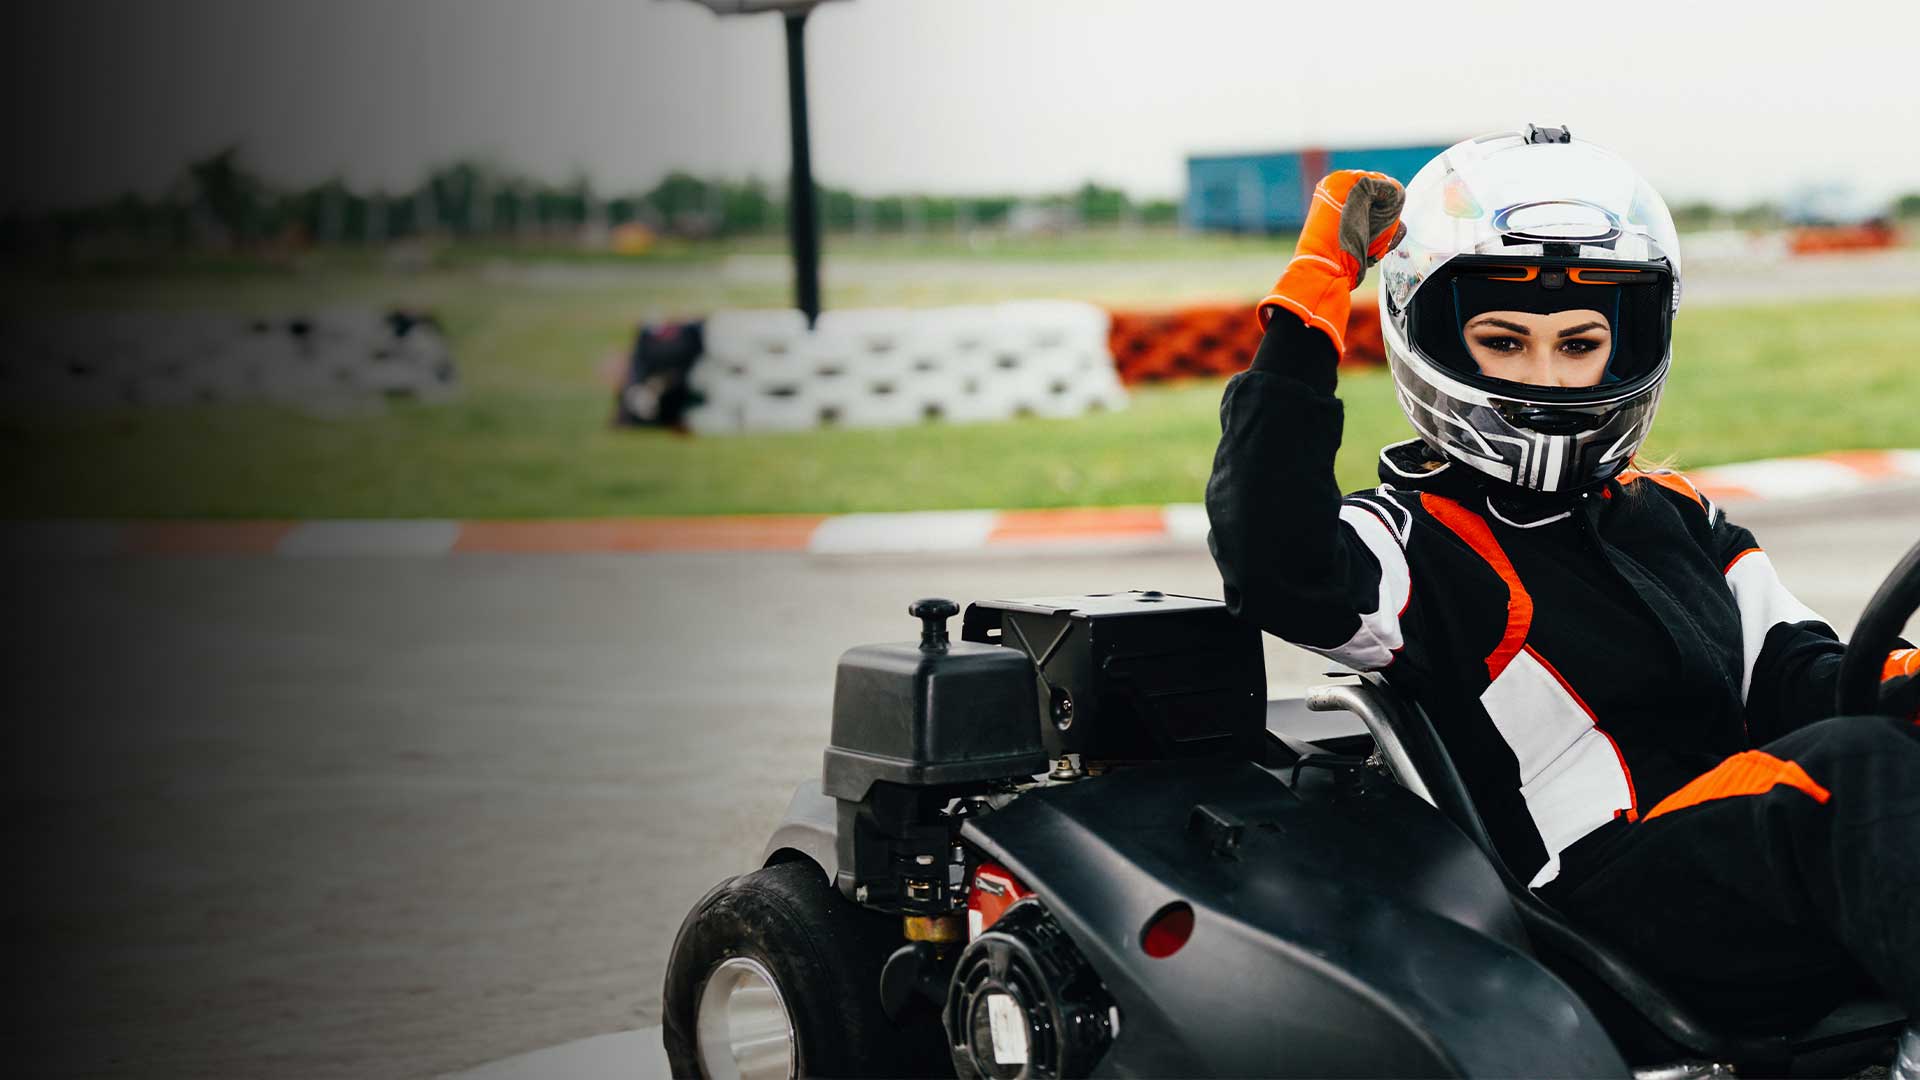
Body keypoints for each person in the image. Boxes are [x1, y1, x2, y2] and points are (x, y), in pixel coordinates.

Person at [1203, 126, 1920, 1066]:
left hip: (1757, 865)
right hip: (1595, 915)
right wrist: (1310, 303)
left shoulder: (1677, 515)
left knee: (1870, 740)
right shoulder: (1409, 537)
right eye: (1505, 341)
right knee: (1849, 770)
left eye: (1578, 344)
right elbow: (1273, 567)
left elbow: (1803, 675)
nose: (1548, 377)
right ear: (1430, 340)